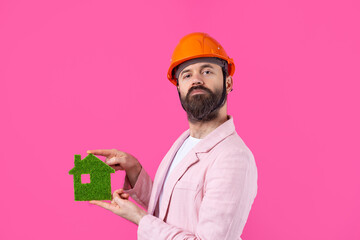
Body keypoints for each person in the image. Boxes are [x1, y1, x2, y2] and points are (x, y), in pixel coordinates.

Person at [88, 32, 258, 240]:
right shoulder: (184, 143)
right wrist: (135, 170)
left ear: (228, 83)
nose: (196, 80)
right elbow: (172, 209)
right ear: (179, 88)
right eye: (187, 75)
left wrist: (141, 219)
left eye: (206, 71)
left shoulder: (233, 157)